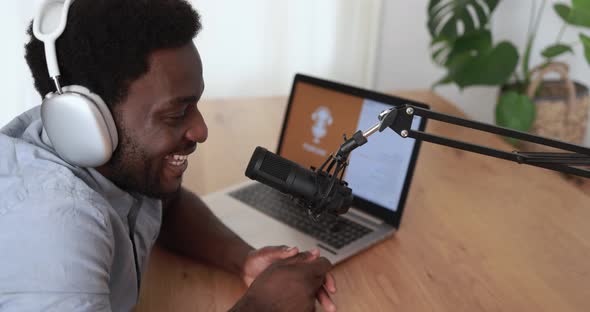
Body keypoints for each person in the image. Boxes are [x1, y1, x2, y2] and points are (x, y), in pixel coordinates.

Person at [0, 0, 337, 311]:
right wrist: (263, 306)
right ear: (84, 120)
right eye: (176, 114)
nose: (201, 131)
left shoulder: (117, 163)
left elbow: (166, 205)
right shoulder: (53, 232)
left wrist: (244, 259)